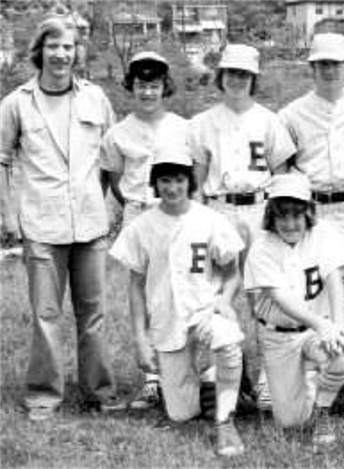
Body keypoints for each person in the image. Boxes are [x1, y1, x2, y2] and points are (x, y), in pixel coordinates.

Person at [0, 17, 118, 421]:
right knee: (46, 315)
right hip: (41, 226)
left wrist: (103, 204)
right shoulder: (16, 103)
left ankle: (98, 393)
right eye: (53, 46)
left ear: (76, 52)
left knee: (94, 314)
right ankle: (43, 396)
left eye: (68, 47)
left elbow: (110, 156)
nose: (61, 54)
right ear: (40, 50)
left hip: (90, 224)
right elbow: (1, 161)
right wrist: (9, 216)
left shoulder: (96, 98)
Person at [108, 151, 246, 457]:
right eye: (165, 180)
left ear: (190, 181)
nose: (172, 188)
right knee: (181, 414)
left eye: (180, 180)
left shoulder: (209, 219)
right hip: (167, 317)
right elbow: (135, 286)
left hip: (205, 310)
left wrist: (223, 300)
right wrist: (141, 340)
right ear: (155, 184)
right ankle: (209, 381)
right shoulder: (143, 225)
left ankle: (225, 420)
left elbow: (233, 272)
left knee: (227, 341)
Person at [187, 43, 296, 411]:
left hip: (260, 210)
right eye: (231, 73)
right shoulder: (202, 123)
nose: (237, 80)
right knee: (216, 293)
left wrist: (279, 223)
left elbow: (281, 178)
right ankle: (223, 372)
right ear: (221, 76)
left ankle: (268, 375)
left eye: (245, 74)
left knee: (265, 296)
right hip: (219, 209)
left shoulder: (269, 120)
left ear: (254, 79)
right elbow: (198, 181)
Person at [278, 32, 344, 405]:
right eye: (321, 64)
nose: (328, 70)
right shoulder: (292, 113)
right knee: (315, 286)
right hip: (315, 206)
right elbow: (284, 168)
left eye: (335, 64)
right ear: (312, 67)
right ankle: (320, 366)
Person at [100, 50, 190, 410]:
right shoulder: (118, 133)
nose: (148, 93)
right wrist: (138, 211)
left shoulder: (183, 127)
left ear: (164, 86)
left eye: (154, 85)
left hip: (177, 214)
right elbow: (117, 182)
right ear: (130, 87)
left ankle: (184, 370)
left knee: (182, 288)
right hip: (140, 213)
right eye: (141, 85)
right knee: (145, 292)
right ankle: (153, 377)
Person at [242, 173, 344, 446]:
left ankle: (323, 408)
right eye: (282, 216)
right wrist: (324, 325)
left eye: (297, 215)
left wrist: (338, 327)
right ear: (271, 216)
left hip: (313, 332)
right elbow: (281, 298)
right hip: (279, 335)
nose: (290, 223)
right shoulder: (261, 248)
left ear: (309, 212)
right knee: (291, 421)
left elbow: (333, 278)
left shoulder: (322, 233)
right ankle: (302, 382)